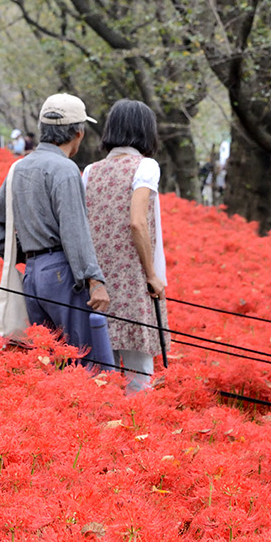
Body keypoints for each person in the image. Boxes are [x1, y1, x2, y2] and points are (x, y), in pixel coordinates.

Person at [0, 93, 112, 368]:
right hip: (63, 273)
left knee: (48, 359)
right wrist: (95, 281)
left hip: (33, 275)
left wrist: (25, 256)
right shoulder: (65, 169)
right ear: (78, 132)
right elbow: (75, 231)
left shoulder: (19, 167)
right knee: (81, 356)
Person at [81, 99, 168, 394]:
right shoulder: (146, 167)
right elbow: (137, 222)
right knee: (137, 375)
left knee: (100, 370)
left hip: (97, 283)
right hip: (133, 281)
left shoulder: (90, 171)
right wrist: (152, 274)